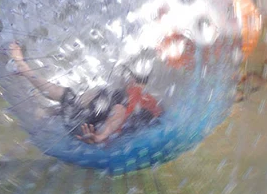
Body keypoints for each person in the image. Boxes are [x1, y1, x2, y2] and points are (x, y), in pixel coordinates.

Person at [9, 42, 163, 145]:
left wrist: (102, 135)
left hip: (85, 129)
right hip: (86, 134)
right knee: (91, 99)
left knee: (70, 94)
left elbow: (119, 113)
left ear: (130, 76)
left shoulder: (125, 94)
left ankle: (23, 68)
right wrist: (101, 137)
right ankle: (51, 112)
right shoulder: (149, 101)